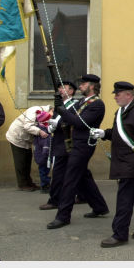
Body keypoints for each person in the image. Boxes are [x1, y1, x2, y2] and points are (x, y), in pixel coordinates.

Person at [91, 82, 134, 247]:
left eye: (118, 93)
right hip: (124, 160)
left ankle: (120, 234)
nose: (115, 96)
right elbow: (120, 133)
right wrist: (104, 133)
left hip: (132, 163)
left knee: (124, 199)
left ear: (129, 95)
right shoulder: (122, 111)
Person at [47, 74, 109, 229]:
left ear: (92, 86)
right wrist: (59, 113)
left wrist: (61, 110)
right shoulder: (82, 101)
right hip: (73, 144)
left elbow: (79, 123)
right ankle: (100, 207)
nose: (80, 85)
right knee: (83, 177)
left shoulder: (97, 104)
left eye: (84, 83)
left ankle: (63, 216)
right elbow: (69, 119)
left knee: (70, 179)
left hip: (83, 146)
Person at [6, 104, 52, 191]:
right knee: (20, 161)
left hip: (25, 139)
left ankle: (28, 182)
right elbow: (27, 126)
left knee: (27, 159)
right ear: (50, 109)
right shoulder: (35, 110)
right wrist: (39, 131)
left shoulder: (45, 115)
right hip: (16, 136)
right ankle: (22, 184)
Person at [33, 110, 53, 193]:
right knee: (44, 172)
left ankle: (45, 184)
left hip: (41, 156)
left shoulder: (39, 130)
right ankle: (44, 186)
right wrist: (46, 156)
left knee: (43, 171)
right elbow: (45, 146)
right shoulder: (44, 132)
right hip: (44, 157)